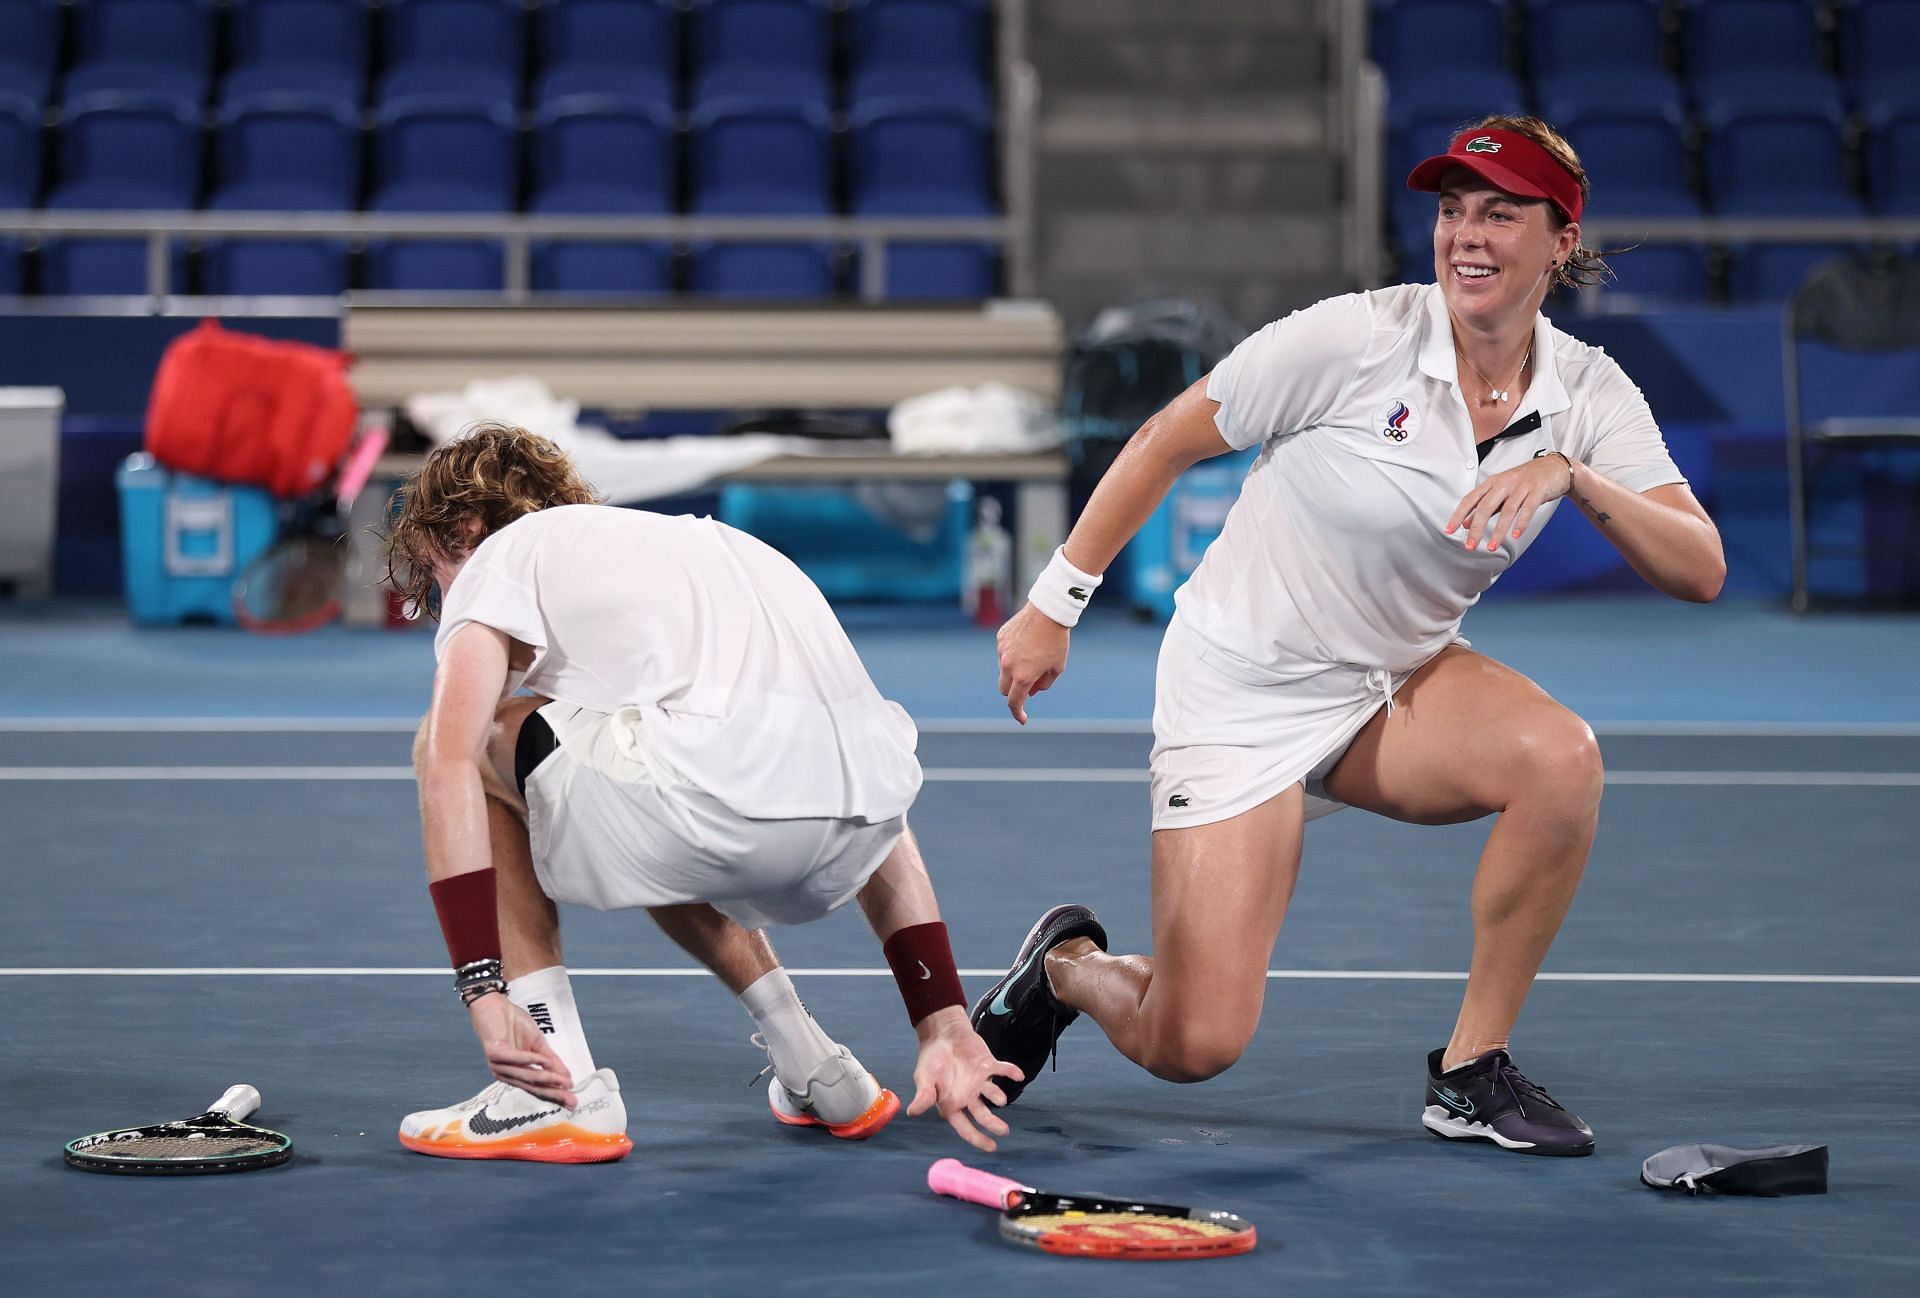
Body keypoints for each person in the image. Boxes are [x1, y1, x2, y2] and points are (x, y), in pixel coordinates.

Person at [979, 115, 1726, 1157]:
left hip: (1393, 684)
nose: (1466, 234)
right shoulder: (1357, 338)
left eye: (1499, 213)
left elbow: (1699, 566)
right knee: (1195, 1041)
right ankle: (1066, 967)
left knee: (1562, 759)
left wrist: (1574, 474)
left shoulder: (1587, 392)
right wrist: (1053, 604)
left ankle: (1470, 1071)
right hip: (1241, 688)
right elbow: (1165, 439)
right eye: (1452, 210)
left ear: (1560, 240)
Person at [384, 423, 1020, 1161]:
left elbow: (448, 762)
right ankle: (813, 1061)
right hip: (845, 836)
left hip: (706, 804)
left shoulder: (501, 553)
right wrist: (941, 1018)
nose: (442, 598)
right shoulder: (715, 556)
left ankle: (550, 1088)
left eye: (435, 575)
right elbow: (877, 796)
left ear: (463, 528)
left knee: (461, 739)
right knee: (624, 775)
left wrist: (483, 993)